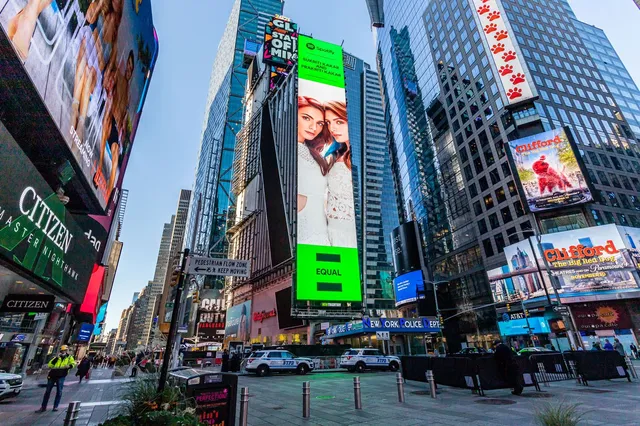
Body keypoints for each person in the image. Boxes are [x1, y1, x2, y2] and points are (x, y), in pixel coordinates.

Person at [297, 96, 331, 246]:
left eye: (319, 123)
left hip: (321, 227)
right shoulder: (283, 146)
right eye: (306, 118)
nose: (313, 127)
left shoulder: (315, 155)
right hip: (300, 226)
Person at [324, 101, 358, 249]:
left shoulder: (361, 155)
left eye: (339, 121)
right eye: (328, 122)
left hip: (351, 234)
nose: (332, 128)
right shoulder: (333, 154)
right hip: (329, 232)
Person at [36, 345, 76, 412]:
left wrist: (69, 366)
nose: (63, 351)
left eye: (65, 350)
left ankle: (55, 407)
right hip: (52, 375)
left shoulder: (69, 357)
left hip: (61, 376)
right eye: (62, 350)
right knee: (47, 392)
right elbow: (50, 365)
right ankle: (43, 407)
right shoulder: (57, 357)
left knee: (59, 392)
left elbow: (73, 364)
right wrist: (56, 358)